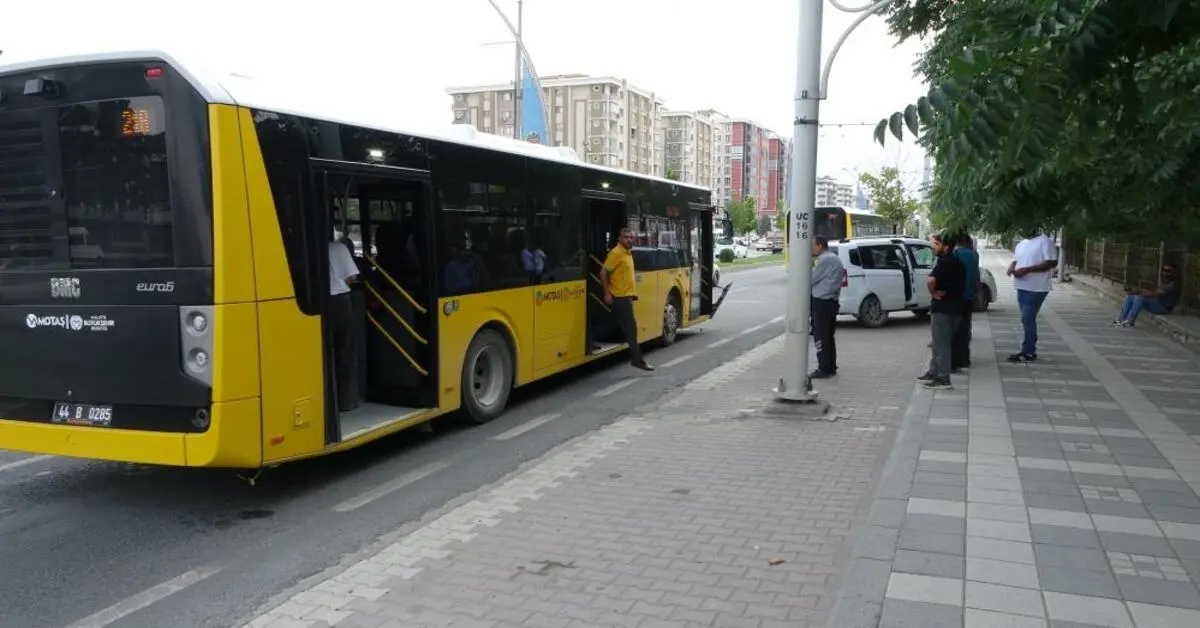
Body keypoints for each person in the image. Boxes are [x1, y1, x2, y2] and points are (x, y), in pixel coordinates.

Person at [600, 227, 654, 371]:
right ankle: (638, 360)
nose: (629, 239)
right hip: (619, 297)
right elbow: (603, 273)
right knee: (631, 329)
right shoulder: (616, 253)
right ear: (620, 239)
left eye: (631, 237)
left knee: (622, 327)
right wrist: (606, 293)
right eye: (626, 237)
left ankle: (636, 359)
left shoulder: (627, 253)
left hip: (626, 297)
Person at [918, 233, 967, 389]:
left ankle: (943, 378)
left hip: (943, 309)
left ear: (945, 247)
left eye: (936, 244)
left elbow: (930, 280)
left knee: (941, 344)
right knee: (939, 343)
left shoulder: (945, 263)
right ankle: (934, 371)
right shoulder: (958, 263)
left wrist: (932, 292)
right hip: (956, 308)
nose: (933, 247)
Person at [1006, 231, 1058, 362]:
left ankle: (1028, 351)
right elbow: (1016, 260)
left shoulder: (1044, 241)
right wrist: (1011, 267)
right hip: (1021, 286)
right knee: (1026, 320)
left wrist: (1027, 270)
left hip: (1037, 287)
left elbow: (1051, 262)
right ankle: (1028, 349)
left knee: (1027, 317)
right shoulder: (1021, 244)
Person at [328, 227, 361, 412]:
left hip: (317, 304)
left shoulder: (308, 248)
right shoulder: (339, 248)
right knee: (345, 352)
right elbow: (351, 277)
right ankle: (346, 400)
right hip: (340, 303)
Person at [809, 235, 844, 379]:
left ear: (820, 246)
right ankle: (830, 366)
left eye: (813, 245)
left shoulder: (825, 260)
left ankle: (823, 367)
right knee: (828, 336)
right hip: (830, 301)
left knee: (821, 336)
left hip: (822, 302)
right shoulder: (833, 258)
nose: (811, 248)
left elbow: (810, 279)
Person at [1110, 263, 1181, 327]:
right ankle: (1121, 318)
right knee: (1130, 297)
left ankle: (1130, 321)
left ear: (1174, 272)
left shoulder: (1173, 284)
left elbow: (1153, 294)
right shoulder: (1165, 281)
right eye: (1164, 270)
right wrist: (1137, 292)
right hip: (1157, 303)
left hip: (1164, 308)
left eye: (1168, 271)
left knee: (1139, 298)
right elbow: (1153, 292)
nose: (1165, 273)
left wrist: (1138, 291)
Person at [951, 233, 979, 370]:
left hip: (958, 296)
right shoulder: (973, 255)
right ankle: (965, 358)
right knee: (965, 328)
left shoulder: (957, 254)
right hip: (969, 296)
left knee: (955, 329)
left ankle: (956, 361)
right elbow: (976, 276)